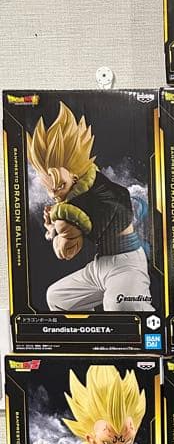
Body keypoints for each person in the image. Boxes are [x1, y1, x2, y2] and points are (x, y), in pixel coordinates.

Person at [28, 103, 152, 313]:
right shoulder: (83, 188)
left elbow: (65, 252)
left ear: (74, 176)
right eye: (49, 189)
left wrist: (60, 227)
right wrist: (54, 229)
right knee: (58, 298)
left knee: (121, 308)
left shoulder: (89, 197)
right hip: (100, 266)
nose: (53, 195)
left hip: (127, 264)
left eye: (59, 187)